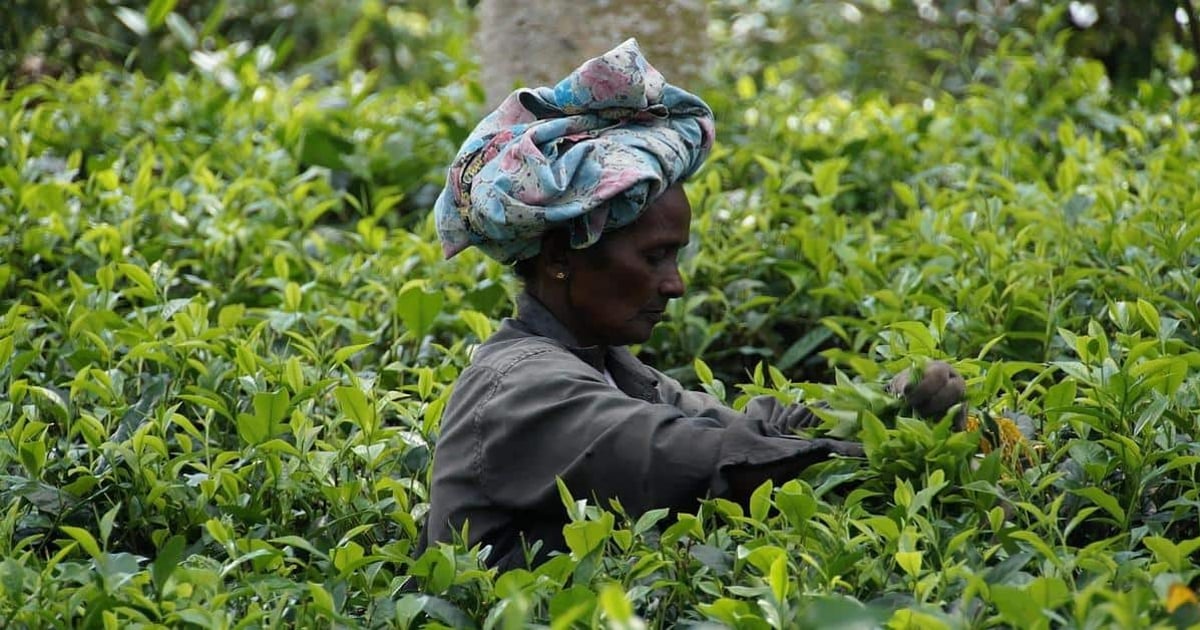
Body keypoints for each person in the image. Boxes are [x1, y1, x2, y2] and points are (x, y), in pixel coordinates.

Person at [420, 39, 965, 570]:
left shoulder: (609, 370)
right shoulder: (520, 388)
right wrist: (879, 454)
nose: (674, 285)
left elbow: (752, 427)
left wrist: (888, 405)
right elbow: (695, 457)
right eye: (655, 257)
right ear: (563, 255)